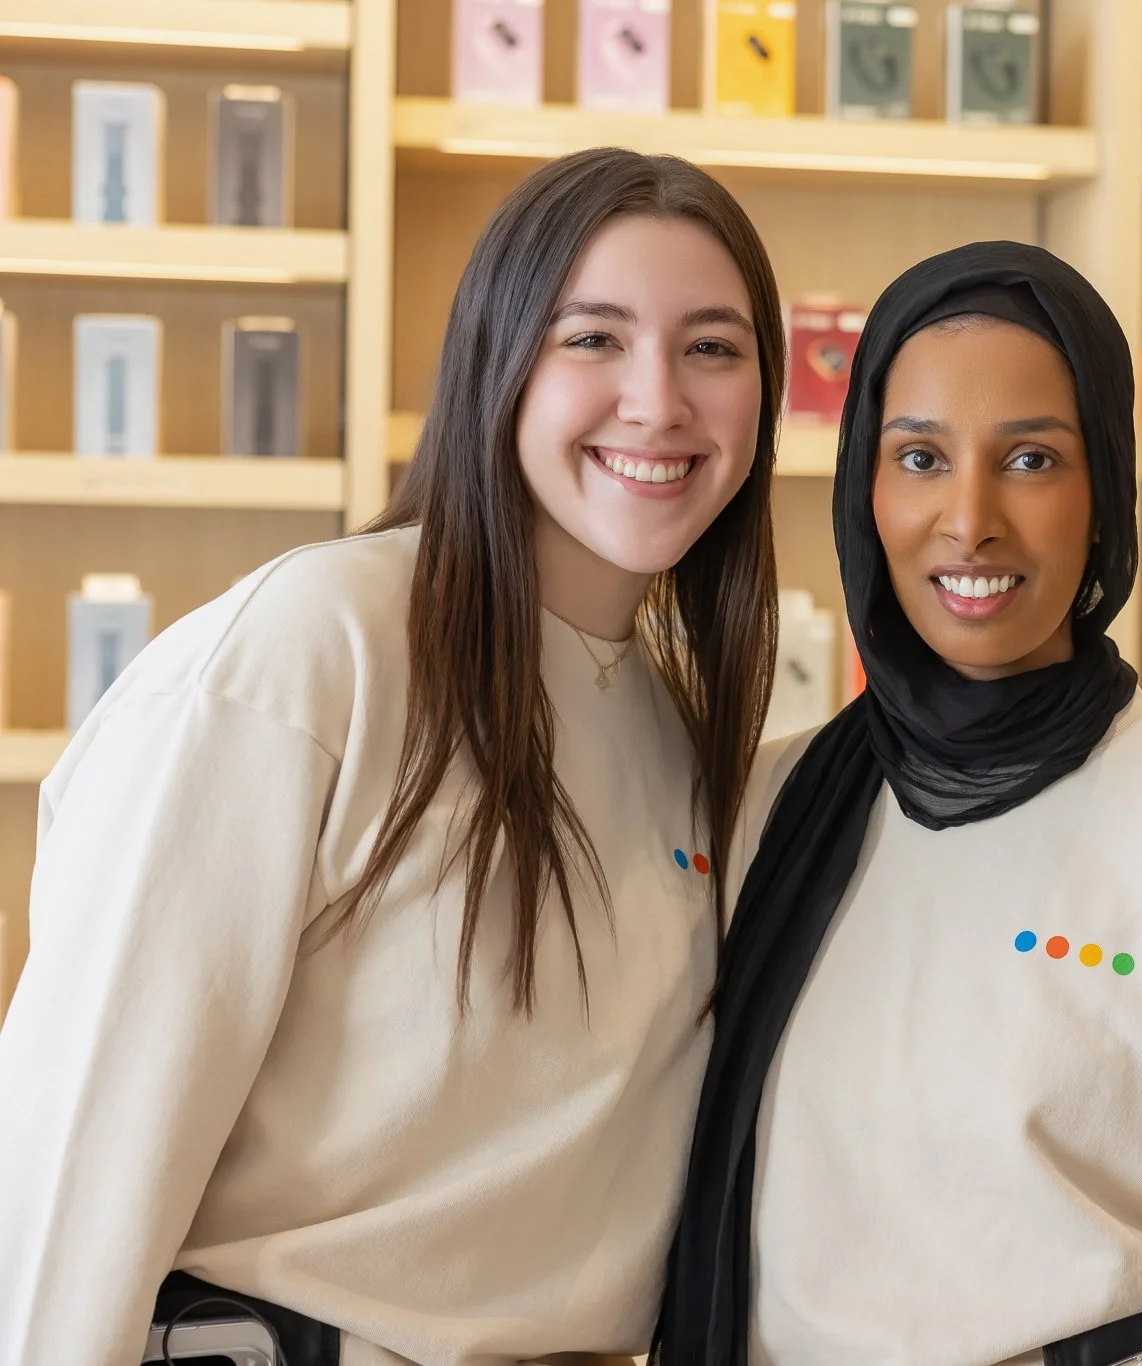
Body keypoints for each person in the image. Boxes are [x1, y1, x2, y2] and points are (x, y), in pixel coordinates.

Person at [0, 147, 784, 1366]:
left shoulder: (677, 730)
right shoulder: (319, 646)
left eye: (712, 348)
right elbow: (82, 1147)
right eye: (593, 338)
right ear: (496, 359)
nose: (658, 401)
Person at [659, 241, 1142, 1366]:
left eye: (1029, 459)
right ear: (864, 490)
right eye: (920, 456)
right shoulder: (761, 808)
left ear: (1103, 491)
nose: (969, 519)